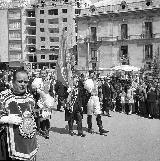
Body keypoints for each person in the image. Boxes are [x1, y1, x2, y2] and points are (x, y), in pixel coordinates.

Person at [0, 69, 38, 160]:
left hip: (27, 142)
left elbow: (33, 116)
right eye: (20, 81)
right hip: (9, 143)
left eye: (25, 82)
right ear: (13, 82)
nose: (23, 84)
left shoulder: (30, 98)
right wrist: (6, 119)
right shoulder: (4, 96)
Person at [84, 70, 108, 135]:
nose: (93, 75)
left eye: (93, 74)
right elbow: (87, 89)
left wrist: (100, 96)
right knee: (90, 113)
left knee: (98, 112)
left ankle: (101, 128)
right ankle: (89, 128)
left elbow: (99, 90)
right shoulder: (87, 81)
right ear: (89, 74)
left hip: (96, 97)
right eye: (91, 74)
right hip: (90, 97)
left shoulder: (97, 81)